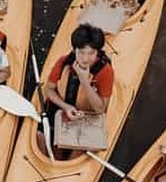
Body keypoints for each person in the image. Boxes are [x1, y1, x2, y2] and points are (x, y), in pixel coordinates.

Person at [38, 24, 114, 159]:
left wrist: (84, 81)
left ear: (97, 52)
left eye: (91, 53)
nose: (85, 58)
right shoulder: (64, 62)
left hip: (87, 115)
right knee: (40, 137)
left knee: (78, 152)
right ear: (75, 50)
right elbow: (49, 89)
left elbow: (100, 109)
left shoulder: (106, 71)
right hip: (62, 109)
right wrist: (66, 107)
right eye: (81, 52)